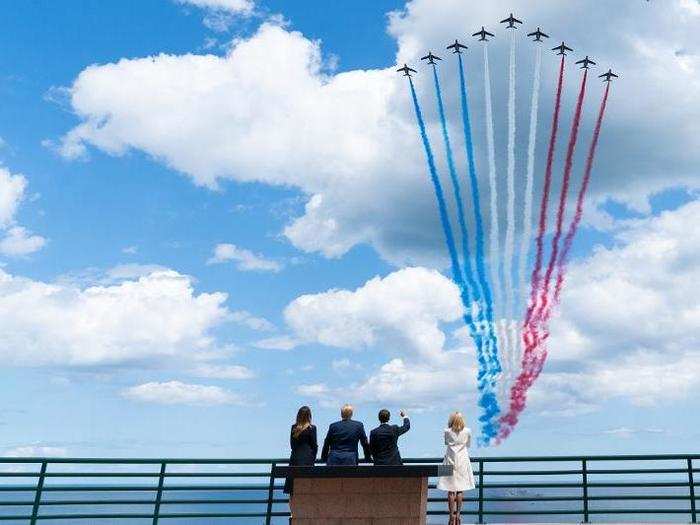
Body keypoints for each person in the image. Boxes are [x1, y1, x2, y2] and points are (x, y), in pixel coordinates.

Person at [437, 412, 475, 525]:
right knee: (460, 489)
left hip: (449, 459)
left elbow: (445, 443)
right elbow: (468, 445)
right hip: (463, 460)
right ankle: (458, 514)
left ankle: (451, 515)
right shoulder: (467, 431)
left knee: (450, 490)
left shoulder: (446, 431)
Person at [283, 406, 318, 498]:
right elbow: (314, 446)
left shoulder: (294, 428)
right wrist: (312, 458)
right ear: (309, 416)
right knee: (307, 486)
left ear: (298, 415)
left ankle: (293, 509)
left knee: (293, 487)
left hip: (295, 459)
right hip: (308, 460)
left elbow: (292, 445)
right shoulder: (312, 428)